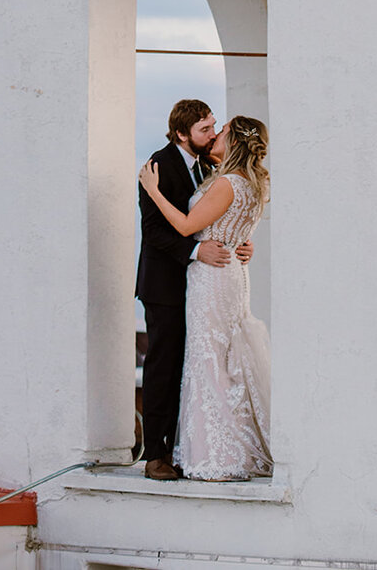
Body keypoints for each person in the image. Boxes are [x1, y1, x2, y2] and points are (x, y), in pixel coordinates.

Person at [140, 114, 272, 481]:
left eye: (222, 131)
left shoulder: (227, 181)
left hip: (212, 280)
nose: (215, 135)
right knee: (223, 359)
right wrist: (238, 241)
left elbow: (185, 226)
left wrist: (153, 190)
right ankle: (210, 446)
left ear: (235, 141)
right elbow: (232, 223)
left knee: (209, 361)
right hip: (227, 275)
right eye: (208, 129)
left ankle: (217, 452)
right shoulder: (251, 182)